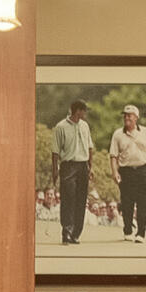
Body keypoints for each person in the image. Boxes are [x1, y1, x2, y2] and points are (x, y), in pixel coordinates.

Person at [50, 99, 95, 244]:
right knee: (68, 198)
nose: (85, 113)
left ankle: (76, 233)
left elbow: (90, 147)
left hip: (82, 165)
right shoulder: (61, 127)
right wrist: (55, 170)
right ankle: (66, 232)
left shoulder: (85, 126)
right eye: (84, 111)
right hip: (68, 165)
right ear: (78, 111)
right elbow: (55, 151)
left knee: (81, 200)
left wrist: (90, 166)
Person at [110, 104, 146, 242]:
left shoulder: (145, 132)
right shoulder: (118, 134)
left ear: (136, 117)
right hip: (126, 171)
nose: (126, 118)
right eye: (125, 115)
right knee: (127, 202)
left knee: (143, 203)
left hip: (142, 170)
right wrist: (115, 172)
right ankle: (128, 230)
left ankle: (141, 233)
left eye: (129, 115)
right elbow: (113, 156)